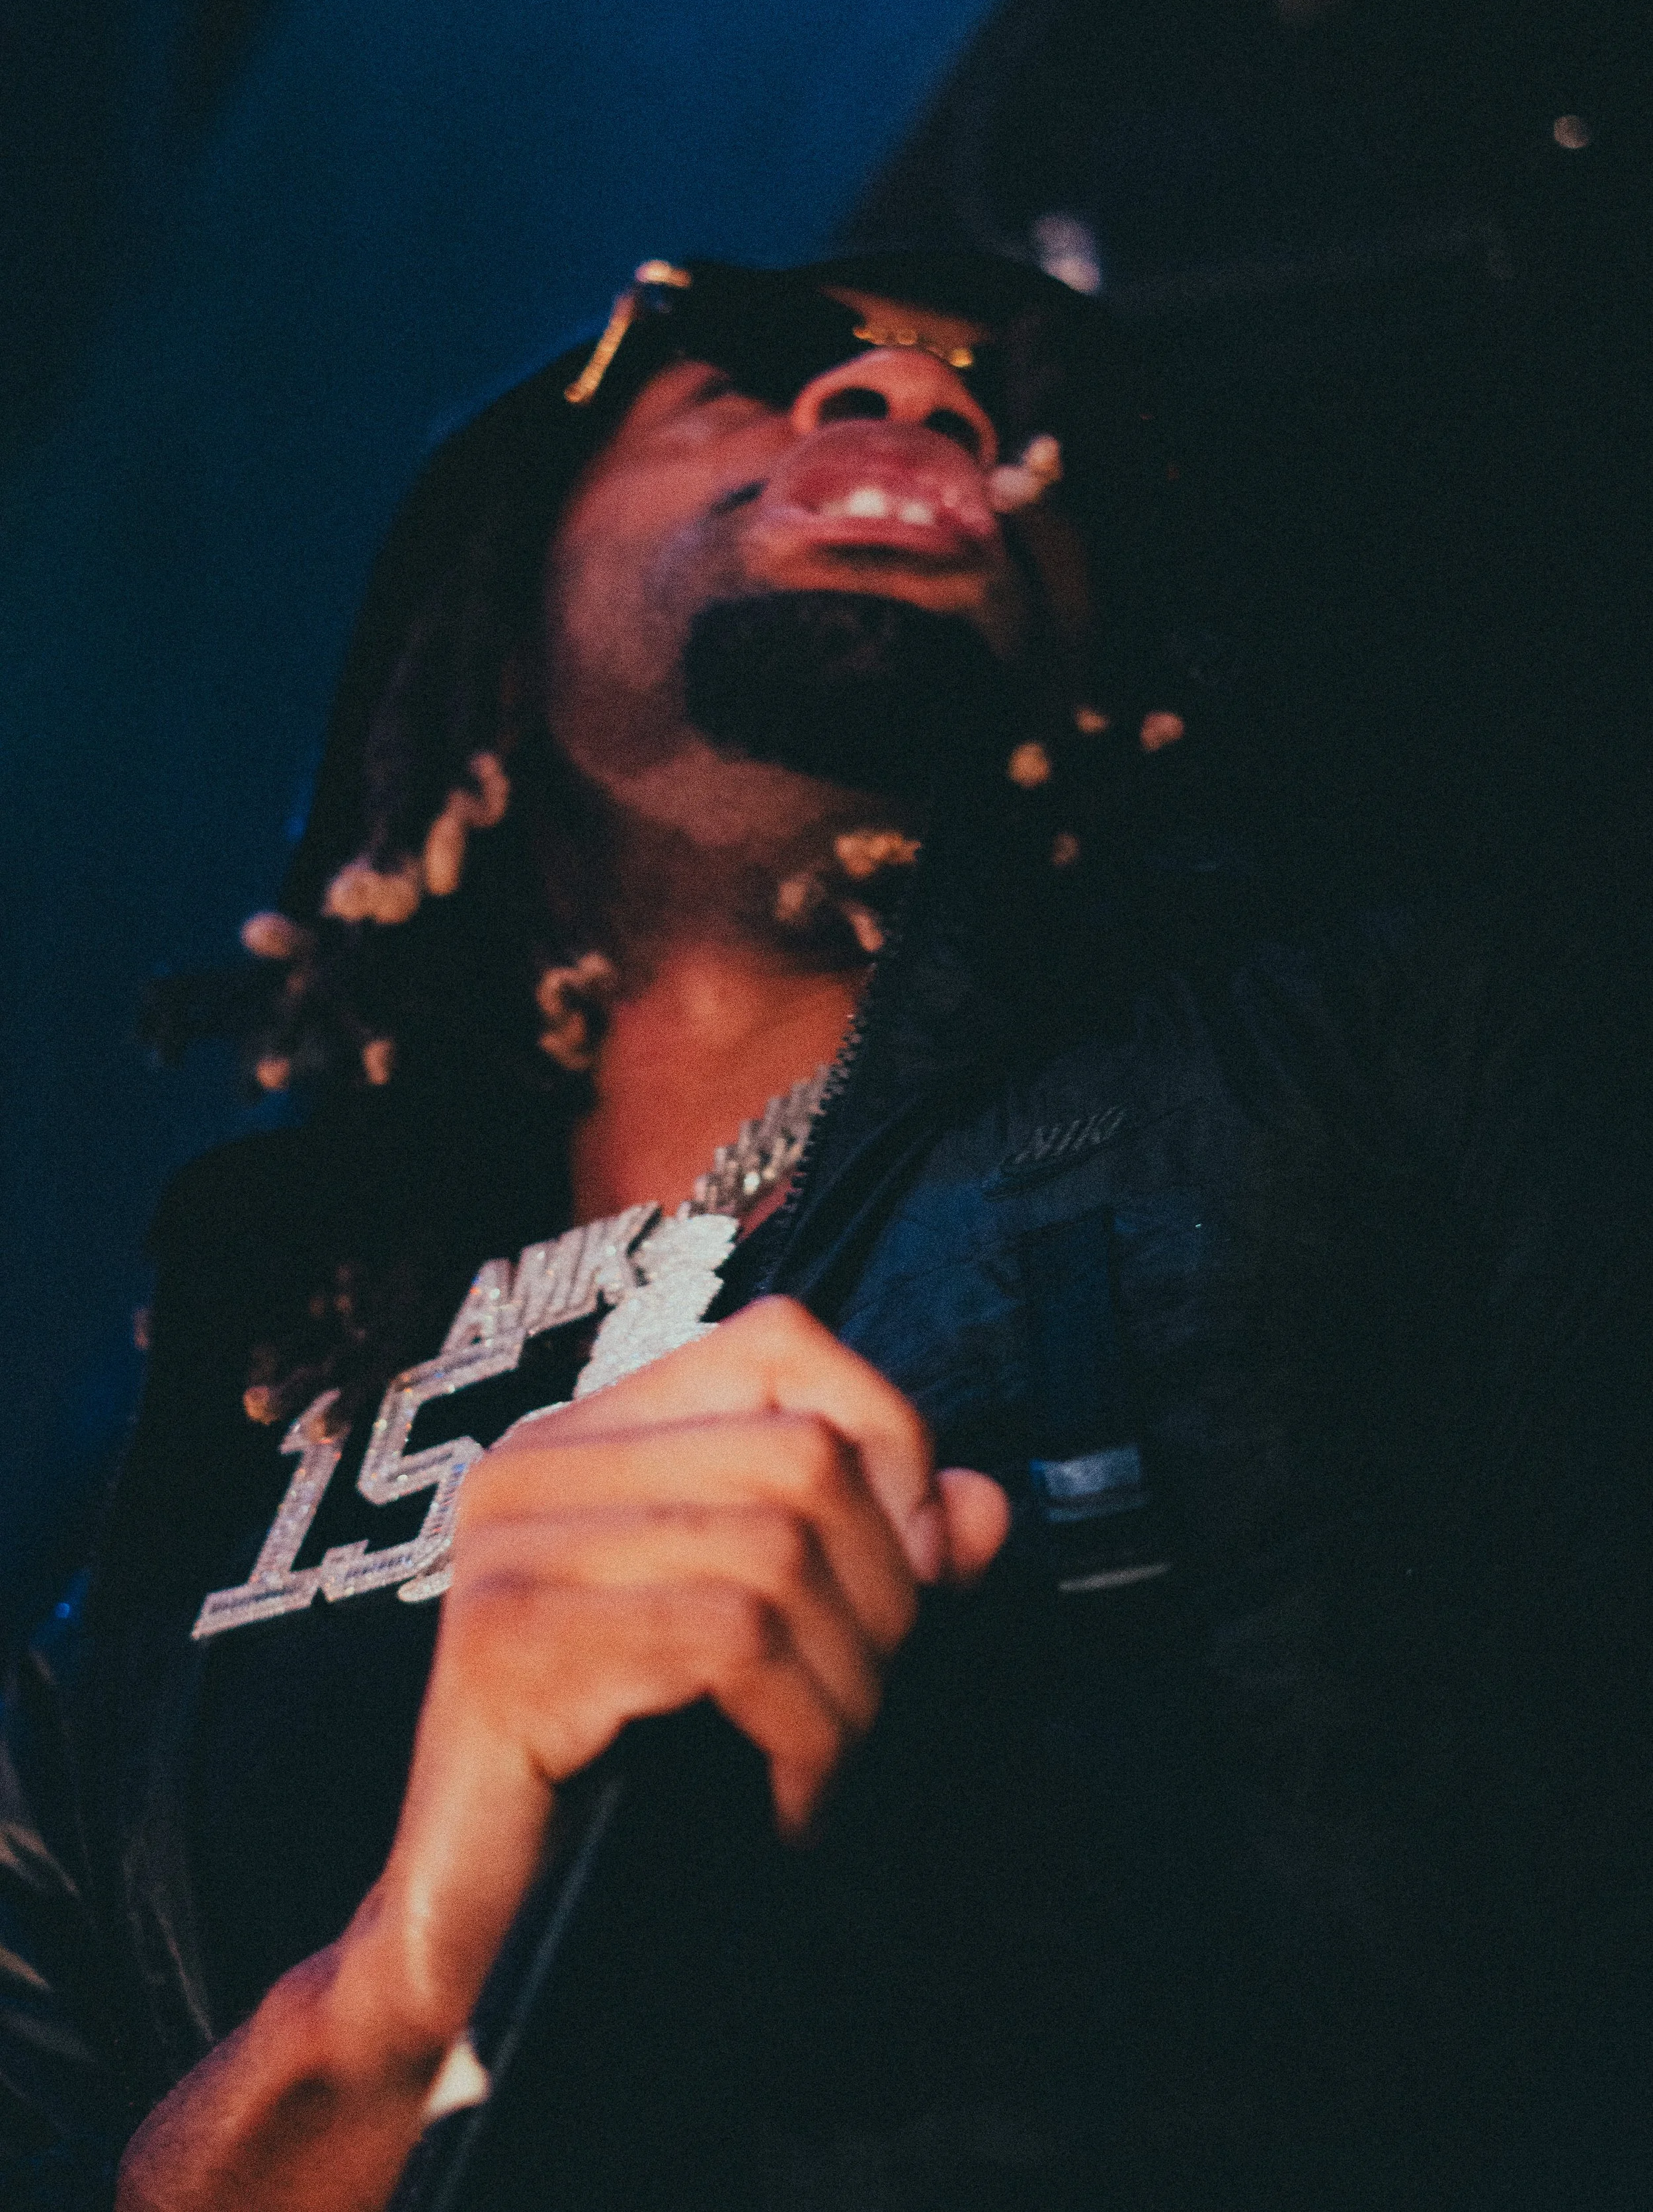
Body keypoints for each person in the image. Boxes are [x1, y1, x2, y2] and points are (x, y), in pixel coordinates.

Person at [1, 251, 1647, 2212]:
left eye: (972, 395)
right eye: (749, 377)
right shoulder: (191, 1451)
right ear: (497, 597)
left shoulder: (1347, 1062)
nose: (905, 387)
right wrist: (412, 1978)